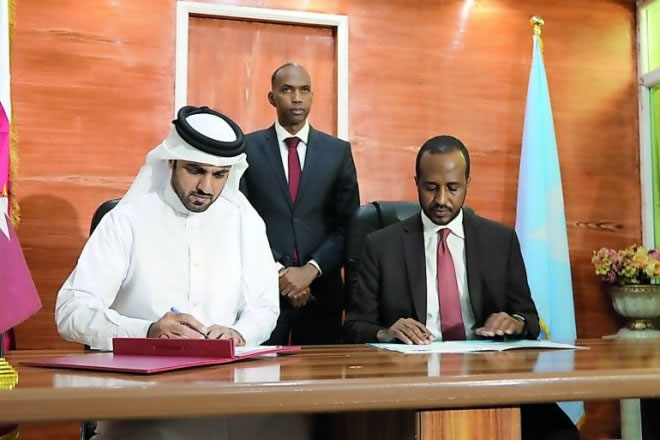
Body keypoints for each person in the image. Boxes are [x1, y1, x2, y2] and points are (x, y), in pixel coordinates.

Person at [55, 106, 310, 439]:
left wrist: (239, 333)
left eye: (219, 175)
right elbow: (71, 311)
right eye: (196, 170)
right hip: (143, 401)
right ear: (171, 161)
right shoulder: (127, 221)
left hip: (229, 395)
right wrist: (148, 331)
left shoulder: (243, 220)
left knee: (297, 426)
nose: (207, 186)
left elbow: (263, 308)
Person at [342, 135, 579, 440]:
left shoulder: (500, 241)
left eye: (452, 188)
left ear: (467, 183)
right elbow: (353, 327)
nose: (441, 199)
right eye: (431, 187)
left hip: (488, 380)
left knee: (561, 435)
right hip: (410, 383)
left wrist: (515, 322)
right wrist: (385, 333)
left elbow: (530, 319)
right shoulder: (381, 245)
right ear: (417, 183)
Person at [241, 63, 359, 345]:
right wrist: (279, 274)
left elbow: (348, 225)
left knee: (320, 372)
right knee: (260, 371)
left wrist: (310, 270)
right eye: (287, 90)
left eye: (304, 90)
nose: (296, 98)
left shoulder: (337, 152)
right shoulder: (247, 149)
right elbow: (240, 222)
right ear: (272, 98)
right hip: (262, 292)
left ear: (312, 95)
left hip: (322, 292)